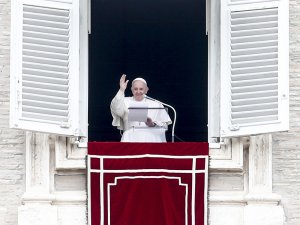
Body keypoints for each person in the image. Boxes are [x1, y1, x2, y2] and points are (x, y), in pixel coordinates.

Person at [110, 74, 172, 142]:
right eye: (135, 89)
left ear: (146, 90)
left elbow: (165, 126)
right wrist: (121, 90)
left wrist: (153, 124)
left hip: (151, 139)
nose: (138, 92)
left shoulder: (156, 104)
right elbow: (115, 107)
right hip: (130, 138)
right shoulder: (124, 101)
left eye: (141, 89)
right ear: (131, 89)